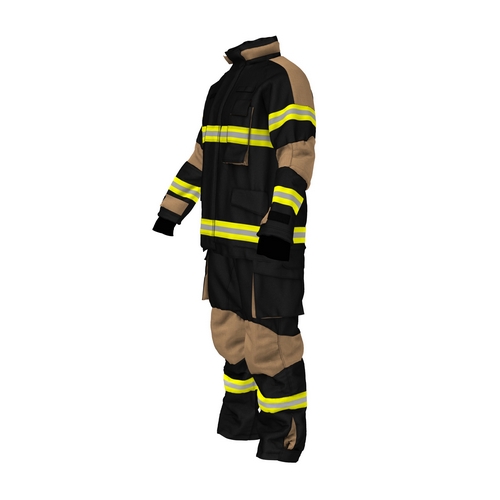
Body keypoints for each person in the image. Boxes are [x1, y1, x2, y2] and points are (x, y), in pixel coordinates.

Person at [153, 36, 316, 462]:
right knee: (229, 336)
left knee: (270, 343)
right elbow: (202, 157)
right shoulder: (222, 85)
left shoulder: (284, 77)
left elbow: (297, 152)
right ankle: (241, 421)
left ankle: (283, 437)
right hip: (221, 241)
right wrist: (171, 209)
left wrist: (280, 221)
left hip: (267, 241)